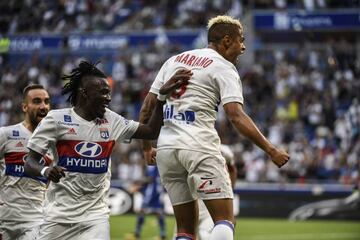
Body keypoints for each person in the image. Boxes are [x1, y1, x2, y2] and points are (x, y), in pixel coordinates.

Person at [139, 15, 290, 240]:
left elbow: (146, 109)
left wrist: (147, 148)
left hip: (167, 150)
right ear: (227, 41)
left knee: (185, 230)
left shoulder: (174, 60)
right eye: (241, 40)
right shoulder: (223, 66)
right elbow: (235, 116)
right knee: (224, 221)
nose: (244, 46)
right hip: (199, 145)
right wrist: (271, 150)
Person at [24, 60, 192, 240]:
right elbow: (30, 162)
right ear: (84, 93)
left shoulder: (112, 120)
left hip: (95, 217)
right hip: (58, 217)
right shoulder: (56, 120)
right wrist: (46, 170)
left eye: (109, 93)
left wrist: (161, 97)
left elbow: (151, 131)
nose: (109, 98)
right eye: (103, 92)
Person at [0, 84, 53, 240]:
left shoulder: (53, 142)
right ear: (24, 106)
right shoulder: (6, 134)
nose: (43, 106)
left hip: (35, 220)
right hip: (4, 218)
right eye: (37, 101)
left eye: (46, 101)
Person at [134, 165, 166, 240]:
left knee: (143, 211)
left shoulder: (154, 167)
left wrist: (139, 183)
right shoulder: (157, 167)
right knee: (159, 213)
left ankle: (137, 232)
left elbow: (150, 179)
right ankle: (162, 233)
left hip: (152, 193)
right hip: (157, 192)